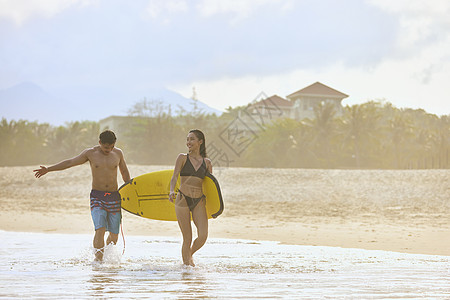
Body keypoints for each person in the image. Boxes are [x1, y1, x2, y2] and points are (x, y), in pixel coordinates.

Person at [33, 130, 131, 261]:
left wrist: (130, 190)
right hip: (97, 197)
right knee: (100, 229)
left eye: (112, 147)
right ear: (100, 142)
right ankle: (98, 262)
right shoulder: (90, 153)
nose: (109, 150)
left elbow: (124, 171)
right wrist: (49, 169)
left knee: (114, 235)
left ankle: (107, 255)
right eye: (106, 147)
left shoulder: (118, 153)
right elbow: (70, 162)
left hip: (114, 197)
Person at [169, 129, 212, 267]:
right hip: (182, 199)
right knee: (187, 238)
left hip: (199, 200)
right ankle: (188, 268)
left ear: (200, 141)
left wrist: (214, 208)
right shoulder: (182, 158)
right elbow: (174, 176)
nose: (189, 142)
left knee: (203, 236)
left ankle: (189, 256)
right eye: (187, 139)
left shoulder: (207, 162)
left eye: (192, 139)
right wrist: (171, 190)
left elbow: (210, 186)